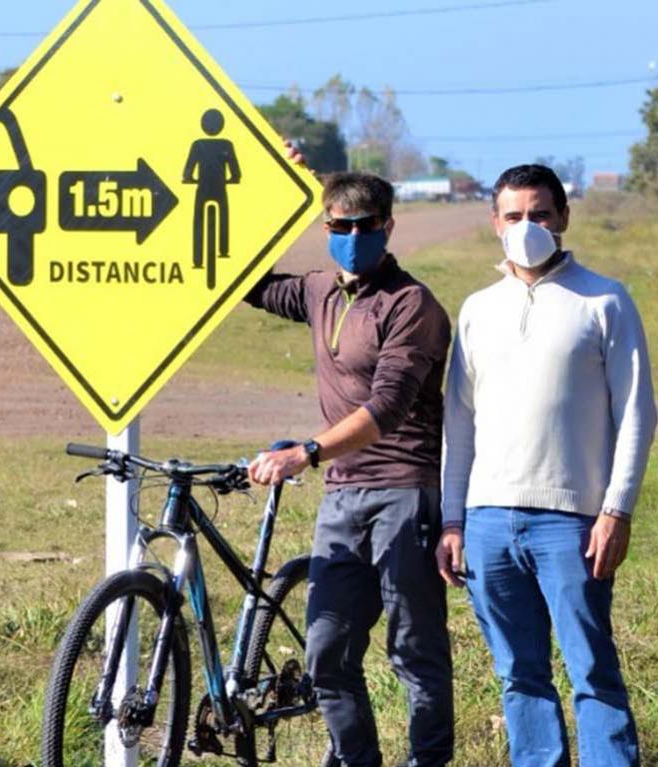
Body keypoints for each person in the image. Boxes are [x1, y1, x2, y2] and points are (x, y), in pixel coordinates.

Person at [437, 163, 657, 766]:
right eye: (514, 216)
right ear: (495, 224)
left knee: (594, 675)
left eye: (539, 214)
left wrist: (616, 510)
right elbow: (459, 422)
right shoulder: (478, 309)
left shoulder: (605, 299)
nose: (527, 226)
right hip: (486, 523)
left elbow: (637, 412)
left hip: (573, 523)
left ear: (563, 218)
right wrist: (453, 520)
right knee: (519, 677)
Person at [245, 170, 455, 767]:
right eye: (339, 226)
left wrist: (306, 453)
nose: (352, 237)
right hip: (342, 496)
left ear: (388, 227)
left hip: (405, 491)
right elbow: (246, 280)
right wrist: (275, 182)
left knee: (414, 650)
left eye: (365, 226)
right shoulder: (319, 292)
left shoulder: (412, 305)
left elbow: (386, 406)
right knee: (327, 650)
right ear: (326, 227)